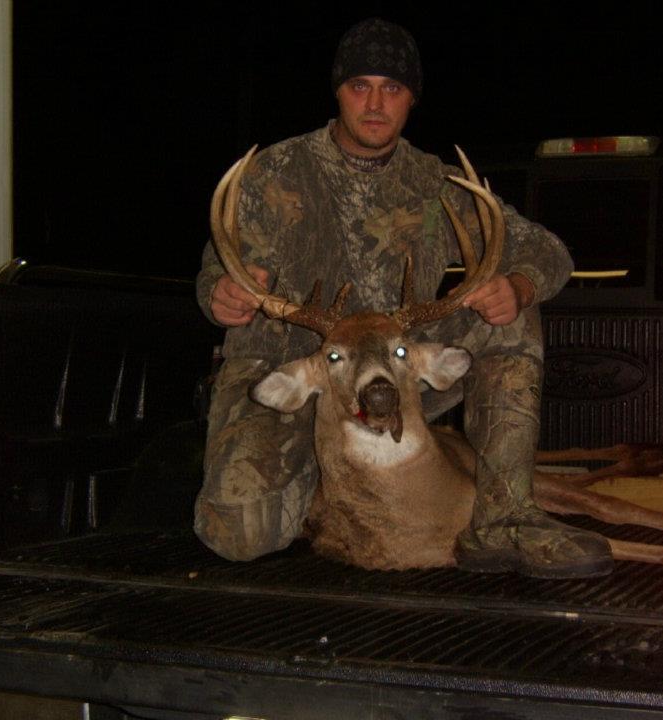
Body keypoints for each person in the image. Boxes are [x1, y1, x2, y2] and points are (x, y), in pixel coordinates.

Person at [194, 18, 613, 578]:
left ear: (412, 97)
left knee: (509, 312)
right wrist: (219, 294)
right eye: (359, 86)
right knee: (239, 535)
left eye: (391, 88)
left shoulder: (434, 183)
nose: (374, 104)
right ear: (338, 91)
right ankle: (313, 473)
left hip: (395, 374)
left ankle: (505, 516)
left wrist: (517, 286)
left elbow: (547, 251)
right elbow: (217, 269)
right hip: (291, 377)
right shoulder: (274, 173)